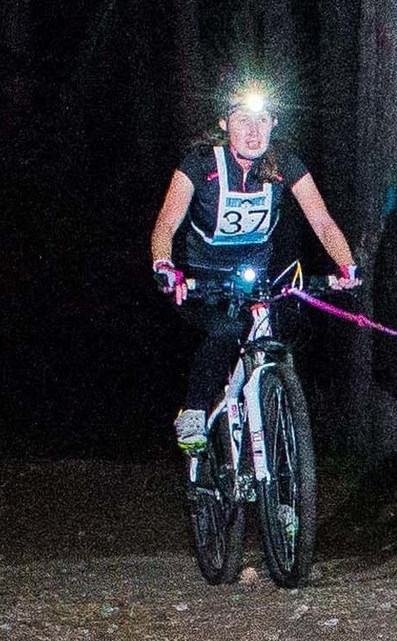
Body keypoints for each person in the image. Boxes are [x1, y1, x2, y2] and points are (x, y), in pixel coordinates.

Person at [147, 87, 360, 452]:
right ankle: (195, 408)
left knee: (288, 324)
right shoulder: (200, 163)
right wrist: (164, 265)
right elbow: (166, 223)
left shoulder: (283, 163)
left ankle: (276, 409)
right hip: (203, 281)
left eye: (262, 120)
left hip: (255, 278)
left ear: (274, 124)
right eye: (243, 120)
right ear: (224, 123)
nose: (253, 131)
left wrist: (346, 265)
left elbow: (322, 221)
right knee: (227, 328)